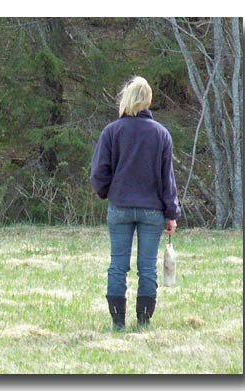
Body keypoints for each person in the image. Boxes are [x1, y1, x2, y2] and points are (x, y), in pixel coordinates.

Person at [90, 76, 180, 330]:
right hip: (152, 210)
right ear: (149, 100)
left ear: (126, 99)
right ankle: (143, 321)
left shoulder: (112, 132)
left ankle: (118, 321)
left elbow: (98, 173)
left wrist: (107, 192)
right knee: (147, 267)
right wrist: (171, 214)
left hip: (119, 207)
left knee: (118, 264)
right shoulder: (161, 135)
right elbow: (167, 180)